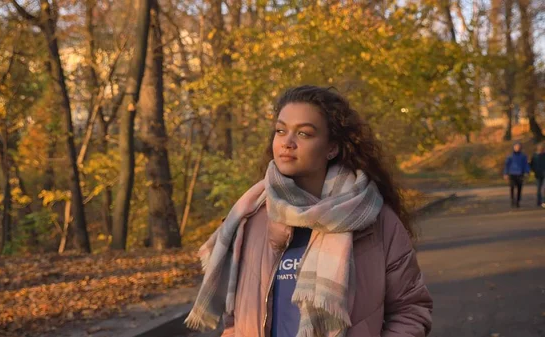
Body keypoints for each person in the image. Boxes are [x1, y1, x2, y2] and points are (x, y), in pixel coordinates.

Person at [185, 85, 432, 337]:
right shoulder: (251, 218)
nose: (287, 143)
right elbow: (236, 318)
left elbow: (409, 309)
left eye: (303, 134)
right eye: (281, 131)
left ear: (331, 148)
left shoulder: (375, 221)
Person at [504, 142, 531, 208]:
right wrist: (505, 173)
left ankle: (518, 201)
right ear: (514, 147)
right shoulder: (510, 156)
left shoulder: (523, 156)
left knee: (519, 188)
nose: (517, 148)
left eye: (518, 147)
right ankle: (512, 199)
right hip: (512, 174)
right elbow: (507, 165)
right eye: (516, 147)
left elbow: (526, 165)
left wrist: (527, 172)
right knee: (512, 187)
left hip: (520, 174)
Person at [530, 143, 545, 207]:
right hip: (538, 174)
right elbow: (532, 164)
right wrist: (534, 171)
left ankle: (543, 201)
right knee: (539, 188)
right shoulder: (535, 156)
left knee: (544, 188)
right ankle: (539, 201)